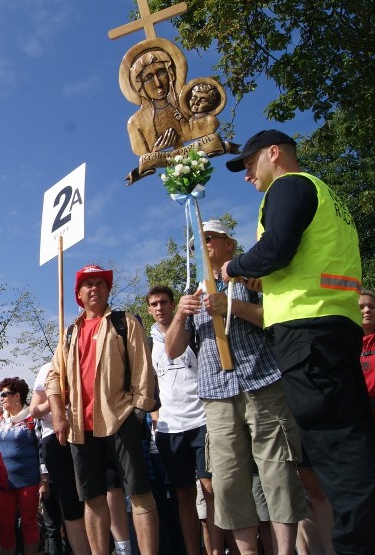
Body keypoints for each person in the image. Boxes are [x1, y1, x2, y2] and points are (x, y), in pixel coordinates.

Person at [221, 129, 375, 554]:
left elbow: (276, 249)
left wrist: (234, 267)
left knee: (338, 454)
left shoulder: (289, 186)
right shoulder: (328, 197)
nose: (247, 173)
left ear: (275, 154)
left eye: (251, 163)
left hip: (309, 336)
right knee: (353, 444)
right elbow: (295, 256)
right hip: (335, 329)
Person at [167, 220, 309, 555]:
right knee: (228, 482)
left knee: (278, 474)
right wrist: (179, 316)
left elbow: (275, 317)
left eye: (209, 239)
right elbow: (173, 350)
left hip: (262, 384)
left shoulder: (254, 278)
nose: (201, 248)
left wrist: (232, 306)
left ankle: (285, 551)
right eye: (194, 245)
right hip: (217, 397)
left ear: (230, 244)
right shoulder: (194, 292)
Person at [45, 264, 159, 555]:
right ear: (78, 294)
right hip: (81, 430)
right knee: (92, 498)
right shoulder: (69, 333)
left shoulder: (125, 322)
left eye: (100, 283)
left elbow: (143, 371)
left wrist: (138, 412)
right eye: (87, 284)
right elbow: (54, 376)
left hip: (120, 419)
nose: (94, 288)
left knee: (140, 493)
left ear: (108, 290)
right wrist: (58, 414)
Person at [146, 285, 221, 555]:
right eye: (154, 304)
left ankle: (216, 549)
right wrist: (156, 418)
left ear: (173, 303)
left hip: (201, 421)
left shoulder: (194, 331)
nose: (159, 308)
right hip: (170, 428)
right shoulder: (148, 343)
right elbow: (149, 388)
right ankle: (193, 551)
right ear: (149, 309)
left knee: (211, 491)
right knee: (184, 495)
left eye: (164, 302)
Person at [30, 362, 90, 555]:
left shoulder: (85, 359)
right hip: (56, 439)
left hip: (87, 432)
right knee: (69, 504)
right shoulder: (48, 368)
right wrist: (52, 403)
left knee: (93, 498)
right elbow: (34, 409)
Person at [0, 377, 40, 555]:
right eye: (1, 394)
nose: (1, 398)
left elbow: (42, 447)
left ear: (17, 396)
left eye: (5, 394)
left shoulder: (31, 419)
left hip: (29, 480)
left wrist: (44, 478)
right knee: (4, 525)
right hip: (4, 483)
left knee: (28, 523)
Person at [127, 48, 187, 154]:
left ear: (170, 75)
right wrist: (156, 151)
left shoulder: (187, 105)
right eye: (148, 78)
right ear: (140, 86)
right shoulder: (135, 124)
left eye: (161, 73)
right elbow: (144, 160)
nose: (158, 83)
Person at [360, 289, 375, 418]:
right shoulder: (345, 343)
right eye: (361, 307)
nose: (367, 310)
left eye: (371, 306)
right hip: (357, 414)